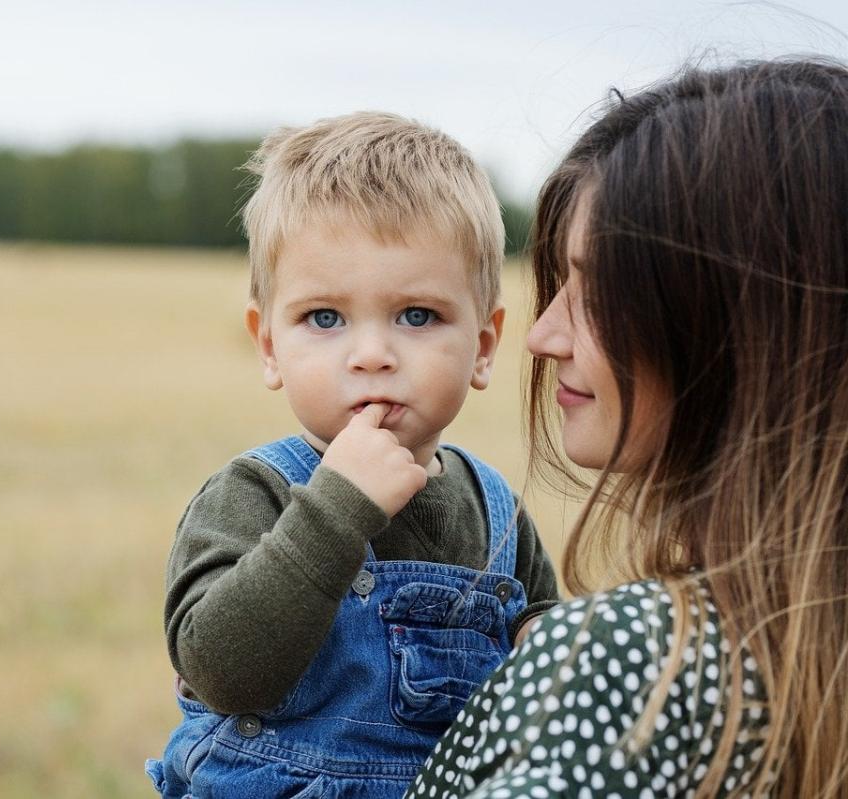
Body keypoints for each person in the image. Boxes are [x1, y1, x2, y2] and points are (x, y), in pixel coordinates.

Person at [407, 58, 848, 798]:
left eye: (598, 290)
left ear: (736, 327)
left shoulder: (633, 665)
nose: (543, 335)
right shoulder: (807, 652)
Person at [145, 112, 561, 798]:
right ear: (270, 344)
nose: (371, 356)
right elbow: (220, 670)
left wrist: (554, 639)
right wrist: (337, 508)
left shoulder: (495, 511)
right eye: (326, 318)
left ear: (485, 345)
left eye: (417, 316)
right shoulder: (256, 491)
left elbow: (546, 649)